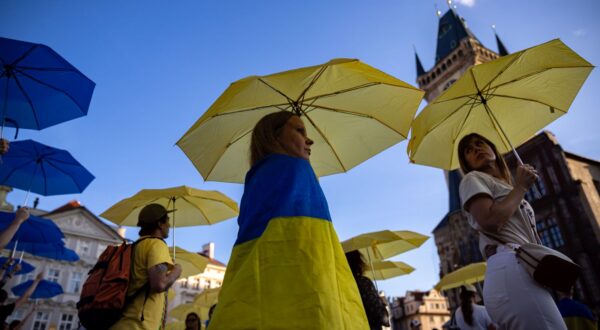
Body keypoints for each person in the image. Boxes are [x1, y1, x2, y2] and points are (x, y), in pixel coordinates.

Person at [209, 111, 368, 329]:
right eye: (300, 130)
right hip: (307, 293)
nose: (309, 139)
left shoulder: (254, 180)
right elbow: (315, 244)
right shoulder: (299, 169)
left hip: (254, 294)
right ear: (274, 137)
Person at [458, 133, 567, 330]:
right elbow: (490, 221)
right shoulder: (472, 179)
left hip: (523, 269)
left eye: (479, 143)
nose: (475, 148)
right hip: (511, 268)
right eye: (468, 150)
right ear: (466, 163)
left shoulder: (505, 185)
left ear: (493, 149)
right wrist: (521, 187)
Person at [110, 203, 182, 330]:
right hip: (138, 325)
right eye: (167, 221)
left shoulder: (135, 246)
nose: (169, 225)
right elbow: (160, 284)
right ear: (160, 224)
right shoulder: (157, 244)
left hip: (121, 323)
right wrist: (177, 270)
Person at [345, 250, 390, 330]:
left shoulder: (341, 285)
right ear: (358, 263)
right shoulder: (363, 283)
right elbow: (381, 317)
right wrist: (382, 303)